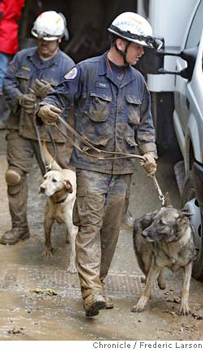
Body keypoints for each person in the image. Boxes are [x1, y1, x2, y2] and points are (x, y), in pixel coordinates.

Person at [37, 12, 160, 317]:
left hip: (123, 171)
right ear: (120, 43)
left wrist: (149, 151)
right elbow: (55, 98)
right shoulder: (87, 72)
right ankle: (90, 291)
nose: (141, 52)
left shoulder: (138, 81)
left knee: (110, 231)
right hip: (91, 167)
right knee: (89, 227)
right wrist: (47, 109)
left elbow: (145, 123)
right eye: (137, 46)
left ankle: (98, 285)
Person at [0, 11, 75, 245]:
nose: (44, 43)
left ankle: (66, 222)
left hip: (52, 135)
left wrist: (51, 97)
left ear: (59, 39)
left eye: (49, 39)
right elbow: (8, 81)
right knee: (14, 176)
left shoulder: (67, 65)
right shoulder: (23, 57)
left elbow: (74, 99)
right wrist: (19, 98)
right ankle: (20, 228)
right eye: (40, 38)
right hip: (22, 128)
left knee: (62, 179)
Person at [0, 0, 25, 129]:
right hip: (9, 35)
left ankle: (3, 118)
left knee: (2, 78)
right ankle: (3, 118)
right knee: (4, 74)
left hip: (2, 35)